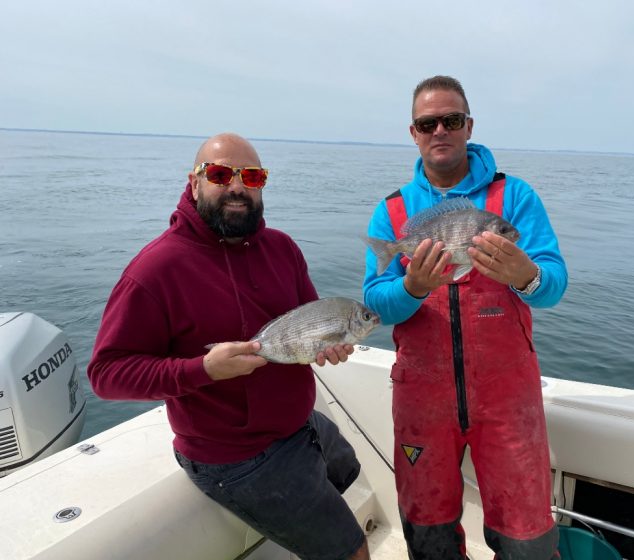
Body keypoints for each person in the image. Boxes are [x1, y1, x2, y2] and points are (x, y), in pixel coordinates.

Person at [88, 133, 370, 560]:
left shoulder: (283, 249)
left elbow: (310, 324)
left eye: (252, 176)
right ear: (195, 181)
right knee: (352, 550)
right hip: (235, 457)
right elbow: (106, 376)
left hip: (298, 426)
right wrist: (203, 370)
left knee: (348, 475)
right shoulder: (156, 270)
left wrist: (327, 347)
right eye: (221, 174)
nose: (237, 186)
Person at [363, 76, 568, 559]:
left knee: (528, 535)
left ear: (468, 126)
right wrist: (413, 287)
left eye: (451, 120)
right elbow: (375, 301)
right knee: (427, 527)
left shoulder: (514, 198)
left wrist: (526, 275)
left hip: (508, 398)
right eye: (427, 123)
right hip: (421, 398)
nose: (440, 130)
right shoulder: (392, 211)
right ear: (413, 132)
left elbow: (553, 284)